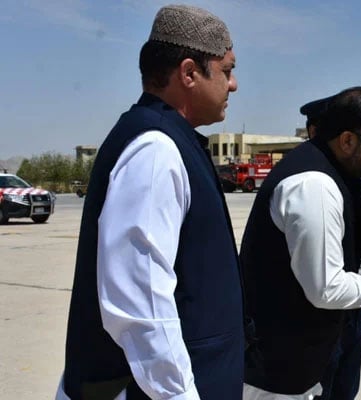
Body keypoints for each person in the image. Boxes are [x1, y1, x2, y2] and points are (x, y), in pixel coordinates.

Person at [56, 5, 245, 399]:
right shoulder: (156, 149)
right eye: (226, 70)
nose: (234, 85)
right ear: (190, 73)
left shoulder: (171, 139)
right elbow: (139, 303)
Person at [240, 87, 361, 400]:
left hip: (298, 363)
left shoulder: (332, 174)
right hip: (279, 374)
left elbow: (337, 256)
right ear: (348, 140)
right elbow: (326, 287)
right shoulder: (314, 185)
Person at [299, 95, 361, 400]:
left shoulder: (352, 181)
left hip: (352, 309)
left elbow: (355, 247)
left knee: (345, 390)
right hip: (318, 319)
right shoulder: (310, 184)